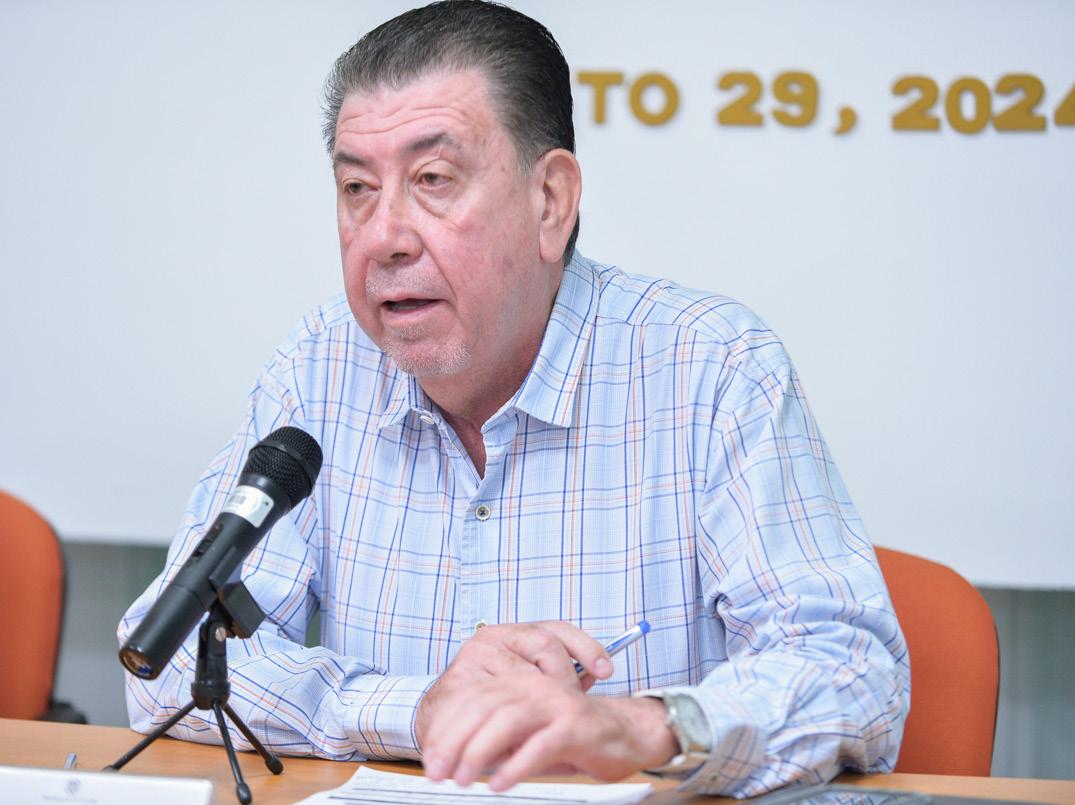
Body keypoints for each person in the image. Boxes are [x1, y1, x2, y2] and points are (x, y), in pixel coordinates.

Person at [119, 1, 909, 796]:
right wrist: (414, 708)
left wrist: (645, 726)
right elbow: (165, 656)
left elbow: (852, 670)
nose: (383, 236)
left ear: (550, 201)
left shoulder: (711, 369)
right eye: (357, 187)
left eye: (432, 180)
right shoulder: (321, 366)